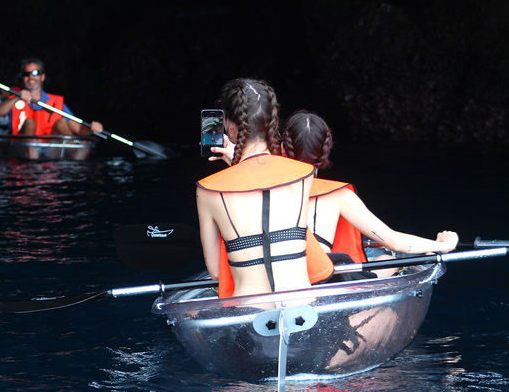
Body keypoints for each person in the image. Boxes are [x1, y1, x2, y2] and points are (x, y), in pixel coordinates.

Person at [196, 79, 335, 298]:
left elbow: (215, 272)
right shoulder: (304, 174)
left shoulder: (207, 190)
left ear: (231, 128)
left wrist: (236, 166)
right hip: (304, 308)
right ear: (273, 123)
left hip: (250, 315)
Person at [281, 110, 458, 271]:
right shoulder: (339, 197)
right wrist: (444, 245)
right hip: (318, 282)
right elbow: (394, 242)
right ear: (326, 150)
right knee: (386, 258)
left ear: (282, 149)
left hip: (277, 279)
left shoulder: (263, 192)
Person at [0, 57, 103, 136]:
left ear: (42, 77)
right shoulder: (13, 97)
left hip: (50, 152)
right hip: (24, 150)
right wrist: (17, 97)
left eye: (35, 73)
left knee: (61, 123)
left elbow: (79, 130)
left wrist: (92, 129)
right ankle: (30, 166)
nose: (31, 77)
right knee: (30, 123)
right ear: (23, 78)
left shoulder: (56, 102)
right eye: (27, 74)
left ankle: (69, 157)